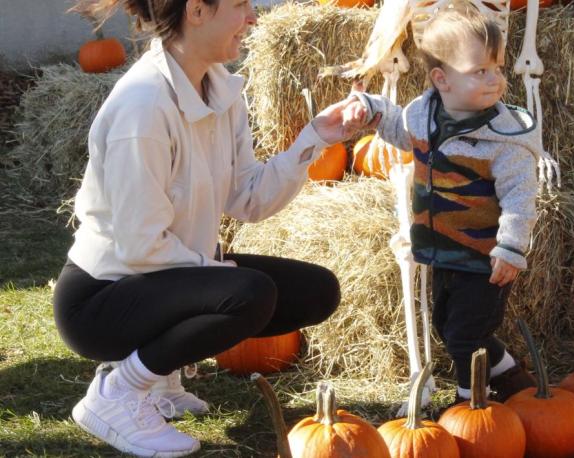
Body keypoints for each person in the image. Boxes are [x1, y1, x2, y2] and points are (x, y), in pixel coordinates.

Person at [53, 0, 365, 456]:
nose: (253, 17)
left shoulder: (220, 89)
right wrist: (215, 271)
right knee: (247, 293)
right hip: (100, 301)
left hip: (163, 278)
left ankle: (159, 380)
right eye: (240, 4)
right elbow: (141, 246)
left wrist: (314, 138)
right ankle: (118, 392)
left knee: (316, 290)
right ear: (197, 11)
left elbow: (248, 200)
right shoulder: (142, 106)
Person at [342, 3, 538, 406]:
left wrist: (511, 247)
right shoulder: (425, 116)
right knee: (451, 329)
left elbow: (520, 196)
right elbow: (398, 129)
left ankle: (472, 405)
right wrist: (373, 112)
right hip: (443, 252)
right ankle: (514, 379)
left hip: (486, 258)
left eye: (497, 69)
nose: (495, 80)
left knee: (466, 335)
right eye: (479, 71)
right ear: (441, 79)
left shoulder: (503, 139)